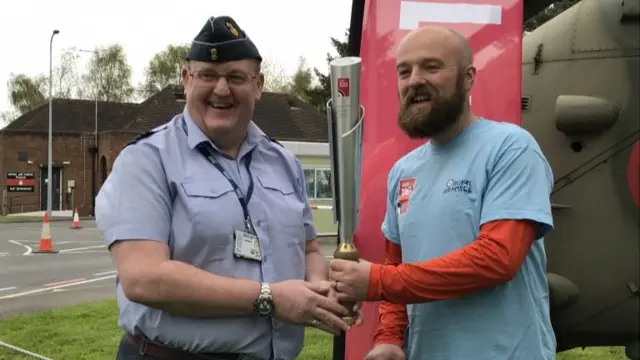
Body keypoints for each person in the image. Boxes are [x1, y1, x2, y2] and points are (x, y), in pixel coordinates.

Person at [96, 15, 360, 360]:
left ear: (259, 84)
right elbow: (144, 278)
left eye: (236, 77)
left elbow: (308, 247)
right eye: (208, 75)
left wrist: (318, 287)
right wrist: (271, 298)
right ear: (186, 79)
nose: (222, 89)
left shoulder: (283, 163)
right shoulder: (146, 160)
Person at [329, 25, 556, 360]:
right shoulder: (403, 172)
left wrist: (376, 281)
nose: (414, 80)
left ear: (468, 79)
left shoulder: (511, 148)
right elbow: (396, 264)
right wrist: (389, 337)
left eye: (432, 67)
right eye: (404, 71)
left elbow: (497, 259)